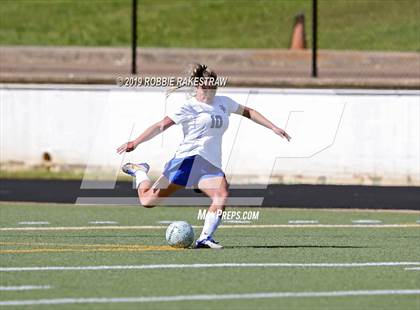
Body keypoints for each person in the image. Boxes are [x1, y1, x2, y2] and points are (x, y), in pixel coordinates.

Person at [117, 64, 291, 249]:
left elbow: (249, 112)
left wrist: (273, 127)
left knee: (222, 195)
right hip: (186, 161)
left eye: (213, 86)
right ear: (197, 87)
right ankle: (140, 171)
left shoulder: (224, 102)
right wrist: (135, 142)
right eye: (205, 86)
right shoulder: (189, 107)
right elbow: (160, 126)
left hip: (210, 164)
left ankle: (205, 238)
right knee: (147, 201)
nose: (209, 90)